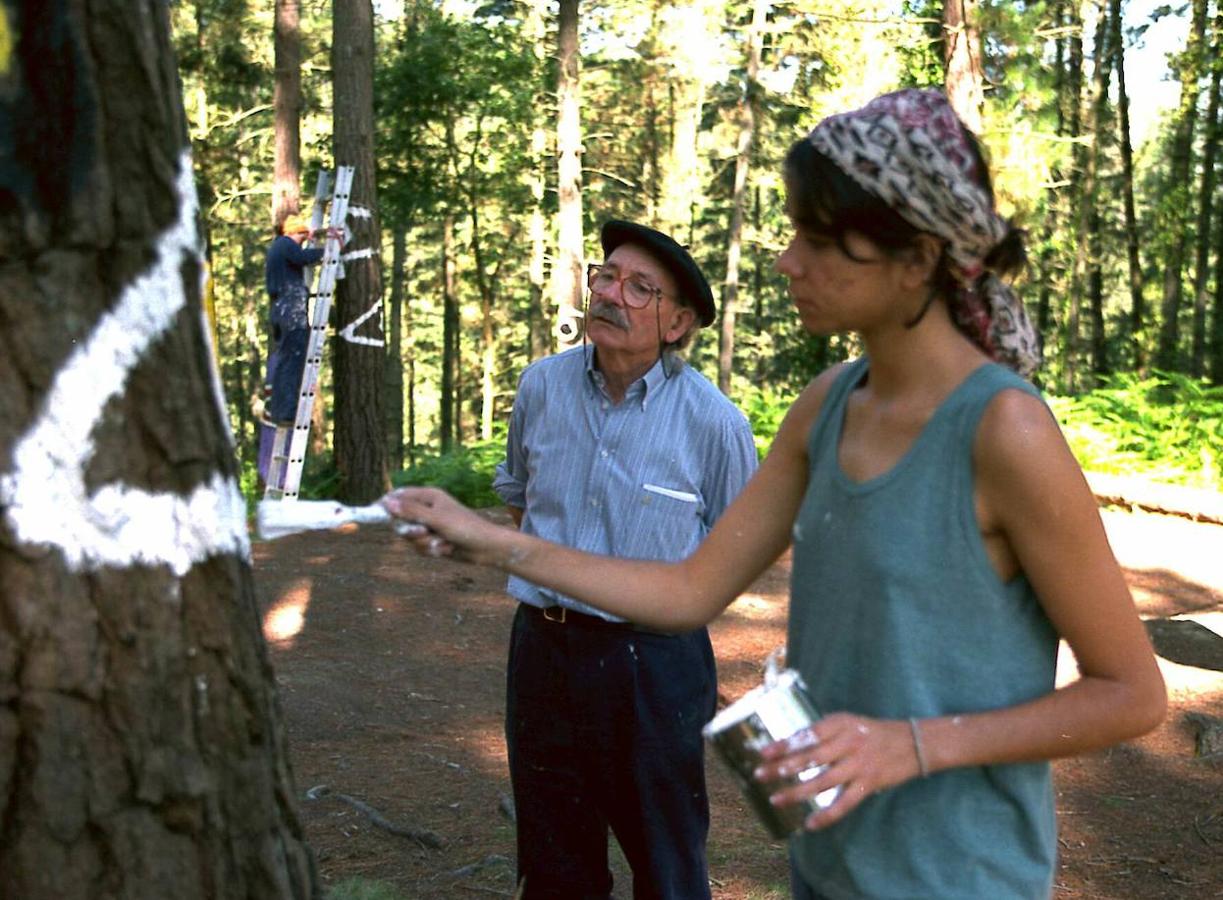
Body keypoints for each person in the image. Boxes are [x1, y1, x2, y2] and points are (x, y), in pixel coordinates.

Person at [383, 89, 1167, 900]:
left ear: (916, 258)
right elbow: (688, 588)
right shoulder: (826, 406)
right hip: (826, 864)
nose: (788, 260)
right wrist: (490, 540)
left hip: (959, 874)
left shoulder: (1004, 431)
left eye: (820, 239)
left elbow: (1131, 692)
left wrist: (913, 745)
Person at [485, 220, 758, 899]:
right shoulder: (541, 387)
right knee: (553, 861)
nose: (611, 293)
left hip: (654, 668)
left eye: (640, 288)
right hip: (543, 655)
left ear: (677, 323)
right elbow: (520, 498)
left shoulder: (713, 423)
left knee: (664, 863)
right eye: (606, 276)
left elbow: (739, 548)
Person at [262, 213, 339, 425]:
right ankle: (286, 413)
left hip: (281, 311)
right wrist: (330, 250)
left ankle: (278, 410)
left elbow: (300, 257)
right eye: (302, 238)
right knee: (294, 360)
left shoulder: (279, 247)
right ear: (295, 233)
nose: (302, 243)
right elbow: (302, 258)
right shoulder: (286, 244)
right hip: (290, 313)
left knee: (287, 359)